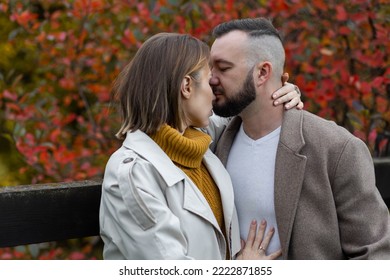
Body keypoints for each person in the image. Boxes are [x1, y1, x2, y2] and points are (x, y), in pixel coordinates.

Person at [99, 32, 301, 260]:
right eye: (208, 80)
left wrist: (281, 90)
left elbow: (244, 107)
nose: (215, 92)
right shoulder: (132, 174)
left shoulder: (196, 141)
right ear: (186, 86)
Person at [208, 17, 390, 259]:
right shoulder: (214, 143)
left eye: (223, 68)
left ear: (263, 72)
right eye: (210, 68)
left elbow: (376, 255)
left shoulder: (337, 148)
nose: (211, 78)